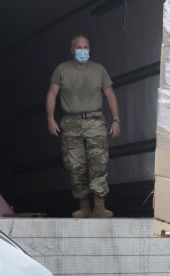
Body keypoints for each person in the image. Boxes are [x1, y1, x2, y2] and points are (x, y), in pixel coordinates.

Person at [46, 34, 121, 218]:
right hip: (70, 122)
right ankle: (84, 207)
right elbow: (51, 95)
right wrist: (50, 118)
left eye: (86, 47)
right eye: (79, 48)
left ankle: (99, 206)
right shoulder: (61, 70)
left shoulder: (99, 70)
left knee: (99, 163)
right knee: (75, 165)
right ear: (72, 50)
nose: (83, 51)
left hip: (95, 121)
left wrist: (116, 120)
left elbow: (110, 95)